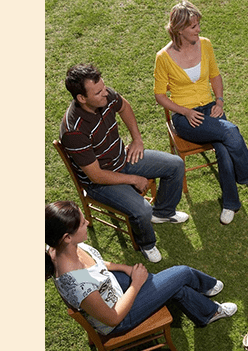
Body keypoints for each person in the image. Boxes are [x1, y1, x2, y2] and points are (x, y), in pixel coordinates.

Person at [154, 0, 248, 225]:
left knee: (223, 147)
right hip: (186, 118)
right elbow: (160, 96)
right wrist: (186, 112)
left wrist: (219, 101)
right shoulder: (163, 57)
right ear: (179, 29)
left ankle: (231, 203)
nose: (199, 29)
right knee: (230, 132)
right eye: (193, 26)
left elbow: (215, 76)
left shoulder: (206, 45)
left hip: (210, 109)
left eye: (198, 24)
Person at [45, 201, 237, 335]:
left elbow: (98, 265)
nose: (87, 222)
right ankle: (208, 288)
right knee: (182, 273)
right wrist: (136, 284)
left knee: (172, 285)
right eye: (81, 223)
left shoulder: (57, 249)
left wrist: (125, 268)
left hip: (111, 287)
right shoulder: (78, 285)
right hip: (120, 318)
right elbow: (112, 318)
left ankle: (207, 312)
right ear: (66, 237)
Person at [60, 63, 187, 263]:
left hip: (123, 158)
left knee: (175, 164)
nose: (106, 93)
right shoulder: (74, 131)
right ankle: (147, 244)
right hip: (100, 182)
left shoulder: (104, 96)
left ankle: (163, 213)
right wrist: (135, 179)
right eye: (98, 92)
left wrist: (137, 139)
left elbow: (124, 106)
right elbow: (96, 175)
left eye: (103, 88)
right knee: (142, 209)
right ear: (81, 98)